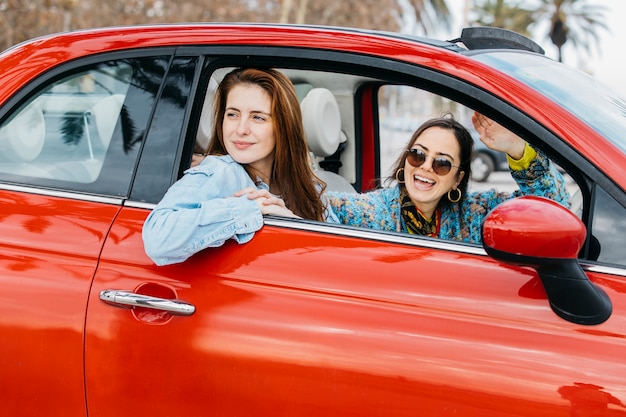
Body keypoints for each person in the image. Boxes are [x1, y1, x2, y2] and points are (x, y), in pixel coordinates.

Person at [142, 67, 332, 266]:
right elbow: (158, 238)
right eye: (232, 114)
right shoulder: (219, 171)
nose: (241, 130)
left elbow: (330, 256)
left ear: (283, 126)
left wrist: (291, 220)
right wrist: (252, 208)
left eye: (258, 117)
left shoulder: (309, 184)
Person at [326, 112, 570, 243]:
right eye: (418, 155)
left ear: (457, 178)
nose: (426, 167)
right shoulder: (370, 212)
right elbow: (314, 203)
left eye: (442, 162)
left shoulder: (474, 214)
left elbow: (553, 208)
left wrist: (517, 148)